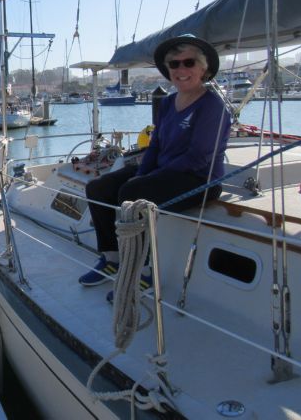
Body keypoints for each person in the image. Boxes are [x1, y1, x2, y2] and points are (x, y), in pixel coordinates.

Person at [79, 34, 230, 292]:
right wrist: (143, 173)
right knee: (98, 187)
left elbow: (198, 157)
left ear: (203, 68)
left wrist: (143, 181)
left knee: (132, 192)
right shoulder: (169, 103)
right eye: (174, 64)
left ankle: (143, 270)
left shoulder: (212, 106)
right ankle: (112, 258)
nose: (181, 70)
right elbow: (156, 146)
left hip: (200, 179)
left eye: (189, 62)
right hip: (165, 171)